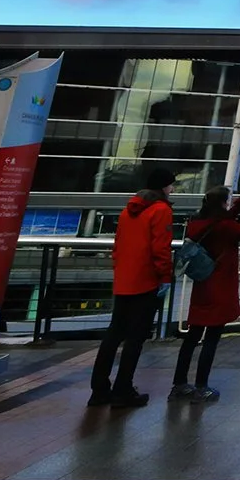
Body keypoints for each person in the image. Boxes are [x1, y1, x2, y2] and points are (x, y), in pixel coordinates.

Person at [88, 166, 176, 409]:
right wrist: (165, 277)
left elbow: (117, 246)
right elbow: (161, 249)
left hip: (124, 280)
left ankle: (99, 389)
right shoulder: (161, 211)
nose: (173, 188)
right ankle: (123, 389)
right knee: (135, 338)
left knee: (113, 334)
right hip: (146, 281)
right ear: (164, 187)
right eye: (171, 184)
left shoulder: (128, 211)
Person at [171, 187, 240, 403]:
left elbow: (219, 224)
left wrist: (235, 208)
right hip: (220, 286)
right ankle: (201, 386)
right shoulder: (226, 228)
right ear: (222, 203)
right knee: (212, 338)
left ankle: (179, 384)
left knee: (192, 337)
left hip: (202, 286)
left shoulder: (198, 224)